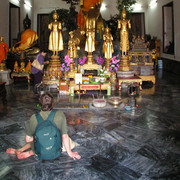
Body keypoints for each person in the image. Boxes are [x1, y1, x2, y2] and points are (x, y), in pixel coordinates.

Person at [6, 92, 81, 160]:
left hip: (40, 145)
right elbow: (64, 136)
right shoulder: (60, 115)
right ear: (53, 103)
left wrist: (40, 136)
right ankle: (31, 153)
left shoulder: (34, 117)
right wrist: (70, 153)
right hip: (54, 144)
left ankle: (20, 150)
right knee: (69, 142)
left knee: (37, 138)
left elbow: (28, 139)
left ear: (40, 104)